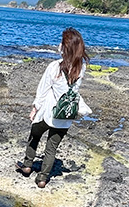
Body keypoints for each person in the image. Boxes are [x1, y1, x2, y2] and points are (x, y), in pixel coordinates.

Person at [16, 28, 90, 188]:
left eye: (62, 43)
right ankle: (42, 179)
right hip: (66, 115)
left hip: (48, 112)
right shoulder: (81, 68)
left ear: (65, 47)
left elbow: (42, 90)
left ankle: (27, 165)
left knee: (34, 136)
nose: (59, 45)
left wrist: (35, 108)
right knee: (51, 148)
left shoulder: (54, 67)